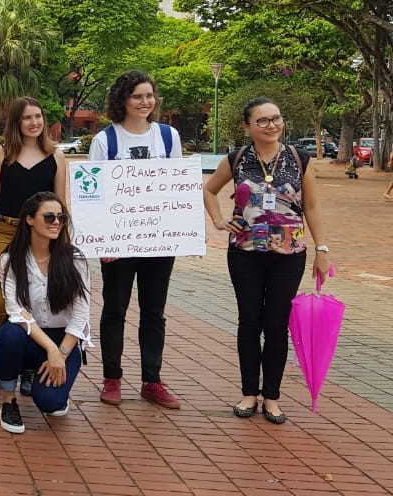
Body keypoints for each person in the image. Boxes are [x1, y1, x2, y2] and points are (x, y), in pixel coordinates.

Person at [202, 98, 330, 424]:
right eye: (263, 121)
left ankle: (271, 396)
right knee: (249, 322)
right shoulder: (237, 159)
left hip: (289, 255)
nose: (271, 125)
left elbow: (312, 208)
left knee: (276, 325)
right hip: (244, 253)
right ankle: (249, 393)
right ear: (248, 126)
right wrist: (218, 220)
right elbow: (209, 190)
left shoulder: (299, 159)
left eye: (276, 118)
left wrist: (322, 249)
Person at [88, 70, 184, 410]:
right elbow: (94, 195)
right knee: (115, 309)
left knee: (154, 312)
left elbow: (177, 187)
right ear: (123, 101)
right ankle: (111, 378)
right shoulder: (106, 141)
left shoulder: (168, 137)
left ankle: (152, 380)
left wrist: (180, 234)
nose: (145, 102)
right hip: (119, 244)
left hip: (157, 242)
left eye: (149, 95)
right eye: (137, 96)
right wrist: (103, 243)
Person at [0, 97, 67, 391]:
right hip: (4, 230)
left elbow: (60, 203)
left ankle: (28, 367)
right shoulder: (3, 153)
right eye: (27, 118)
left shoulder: (56, 156)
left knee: (32, 302)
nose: (34, 123)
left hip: (40, 237)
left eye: (38, 117)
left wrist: (63, 240)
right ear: (17, 122)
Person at [0, 192, 93, 434]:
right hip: (29, 336)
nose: (57, 222)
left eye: (61, 217)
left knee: (51, 404)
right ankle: (8, 400)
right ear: (29, 220)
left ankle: (50, 386)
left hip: (65, 340)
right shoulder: (10, 260)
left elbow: (81, 315)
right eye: (49, 217)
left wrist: (60, 352)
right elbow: (16, 311)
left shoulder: (75, 259)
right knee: (8, 335)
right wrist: (51, 349)